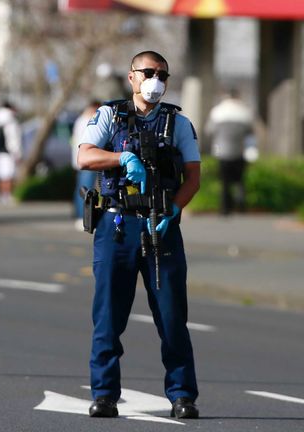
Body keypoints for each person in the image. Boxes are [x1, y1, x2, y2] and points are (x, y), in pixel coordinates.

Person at [77, 51, 202, 419]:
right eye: (148, 72)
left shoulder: (177, 123)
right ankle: (104, 394)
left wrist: (174, 210)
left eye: (162, 74)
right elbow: (84, 157)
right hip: (117, 226)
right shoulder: (109, 116)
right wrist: (121, 159)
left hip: (160, 226)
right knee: (108, 316)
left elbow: (193, 176)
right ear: (131, 77)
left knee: (172, 316)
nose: (155, 80)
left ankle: (182, 395)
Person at [206, 88, 254, 215]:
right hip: (239, 151)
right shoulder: (244, 111)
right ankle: (241, 206)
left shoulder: (217, 111)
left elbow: (209, 131)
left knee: (225, 182)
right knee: (239, 181)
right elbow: (250, 133)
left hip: (222, 151)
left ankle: (225, 208)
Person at [72, 100, 102, 230]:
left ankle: (80, 216)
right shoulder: (87, 121)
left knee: (82, 189)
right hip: (87, 161)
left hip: (82, 161)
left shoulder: (80, 120)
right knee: (86, 191)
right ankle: (81, 217)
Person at [0, 102, 21, 205]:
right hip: (8, 153)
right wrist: (16, 153)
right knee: (8, 176)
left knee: (2, 176)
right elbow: (13, 140)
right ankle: (7, 195)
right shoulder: (11, 122)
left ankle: (3, 195)